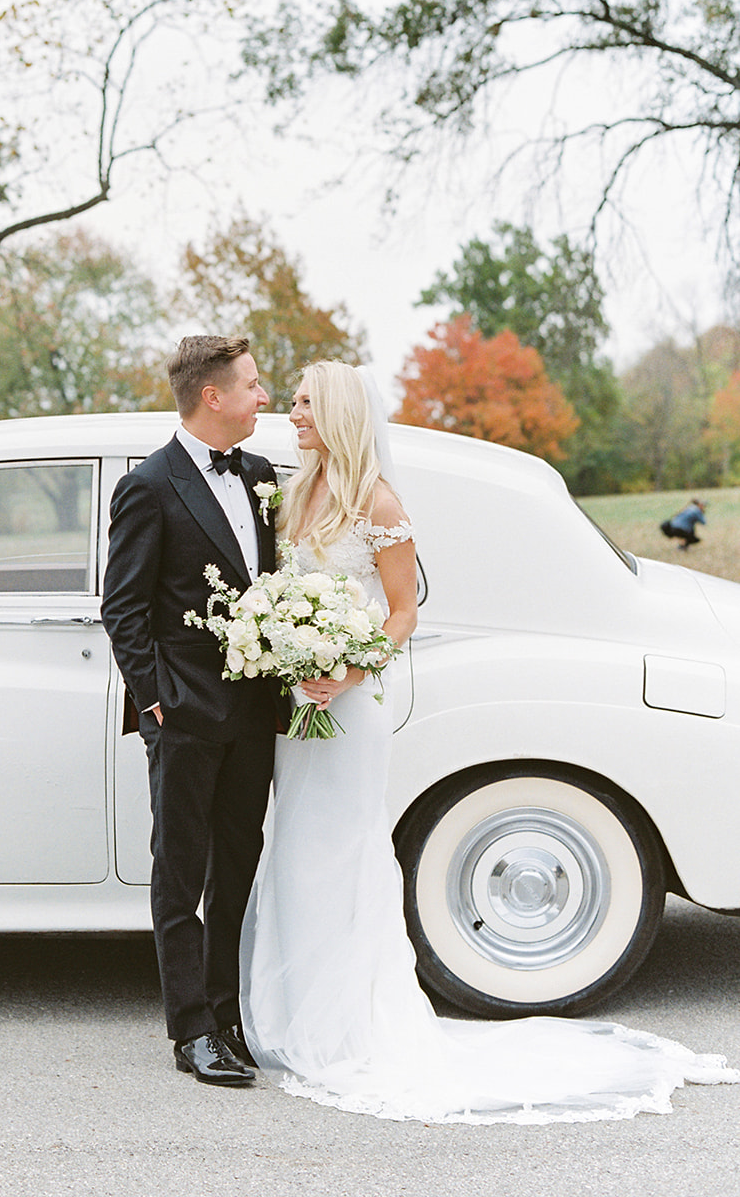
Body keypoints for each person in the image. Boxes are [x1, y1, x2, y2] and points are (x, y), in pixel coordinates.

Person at [239, 359, 738, 1123]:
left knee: (345, 849)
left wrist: (342, 669)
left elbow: (400, 611)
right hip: (299, 708)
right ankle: (293, 1010)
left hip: (350, 705)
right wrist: (288, 653)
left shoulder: (376, 499)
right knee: (298, 847)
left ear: (335, 411)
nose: (292, 413)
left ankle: (346, 1021)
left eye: (303, 403)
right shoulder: (296, 492)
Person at [102, 335, 279, 1087]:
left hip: (252, 711)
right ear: (212, 397)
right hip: (182, 714)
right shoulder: (149, 485)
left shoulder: (261, 475)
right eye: (251, 384)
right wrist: (154, 702)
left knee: (238, 863)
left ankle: (227, 1014)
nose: (263, 396)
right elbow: (123, 608)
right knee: (180, 871)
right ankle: (191, 1032)